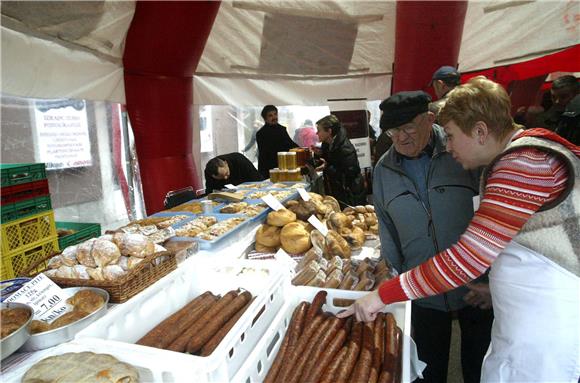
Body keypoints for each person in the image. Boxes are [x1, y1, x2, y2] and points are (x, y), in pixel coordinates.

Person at [339, 77, 580, 383]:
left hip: (550, 335)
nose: (448, 145)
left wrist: (382, 295)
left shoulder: (523, 163)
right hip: (530, 320)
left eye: (451, 136)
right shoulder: (522, 157)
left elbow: (468, 257)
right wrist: (499, 289)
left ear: (480, 131)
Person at [371, 91, 493, 383]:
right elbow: (386, 229)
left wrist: (493, 279)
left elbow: (491, 214)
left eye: (408, 128)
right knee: (428, 372)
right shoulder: (383, 170)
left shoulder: (460, 150)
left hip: (476, 286)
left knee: (481, 366)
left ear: (429, 119)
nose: (399, 138)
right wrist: (397, 285)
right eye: (391, 131)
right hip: (422, 291)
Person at [315, 114, 366, 208]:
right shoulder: (326, 144)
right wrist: (319, 154)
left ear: (329, 131)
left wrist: (327, 167)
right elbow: (329, 160)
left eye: (319, 130)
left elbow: (349, 174)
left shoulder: (345, 148)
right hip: (337, 191)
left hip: (350, 194)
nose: (316, 133)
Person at [256, 105, 298, 178]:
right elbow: (263, 155)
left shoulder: (282, 129)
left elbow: (291, 145)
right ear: (265, 119)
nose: (274, 117)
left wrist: (303, 149)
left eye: (275, 114)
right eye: (270, 115)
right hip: (269, 170)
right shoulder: (261, 133)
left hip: (284, 167)